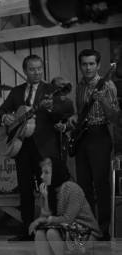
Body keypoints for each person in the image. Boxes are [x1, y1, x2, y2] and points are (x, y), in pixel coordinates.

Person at [0, 55, 74, 242]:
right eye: (32, 69)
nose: (37, 72)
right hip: (21, 147)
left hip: (45, 148)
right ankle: (27, 231)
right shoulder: (16, 92)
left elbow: (64, 113)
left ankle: (53, 231)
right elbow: (0, 111)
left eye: (39, 68)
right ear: (25, 71)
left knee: (49, 190)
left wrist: (49, 109)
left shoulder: (51, 90)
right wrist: (4, 118)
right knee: (25, 190)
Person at [64, 49, 119, 240]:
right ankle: (88, 227)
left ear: (98, 65)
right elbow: (81, 112)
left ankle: (103, 230)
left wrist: (103, 100)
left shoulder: (108, 86)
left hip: (100, 136)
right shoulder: (79, 85)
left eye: (91, 64)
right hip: (83, 137)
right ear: (80, 66)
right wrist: (74, 118)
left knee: (101, 185)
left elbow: (114, 117)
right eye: (84, 64)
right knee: (84, 186)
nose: (87, 68)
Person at [29, 157, 101, 255]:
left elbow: (68, 218)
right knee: (40, 234)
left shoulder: (71, 188)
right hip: (64, 228)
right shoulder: (50, 190)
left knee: (51, 233)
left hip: (84, 230)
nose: (42, 176)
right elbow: (45, 217)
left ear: (56, 172)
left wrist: (45, 220)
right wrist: (45, 198)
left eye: (46, 172)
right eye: (42, 172)